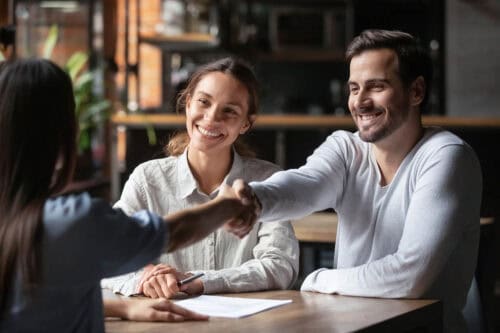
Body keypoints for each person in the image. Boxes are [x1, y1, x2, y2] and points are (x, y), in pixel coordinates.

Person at [231, 30, 482, 333]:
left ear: (416, 91)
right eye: (354, 88)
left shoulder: (446, 156)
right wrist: (254, 200)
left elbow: (410, 276)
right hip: (353, 326)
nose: (360, 102)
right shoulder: (346, 148)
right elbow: (305, 185)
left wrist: (318, 279)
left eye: (376, 87)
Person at [0, 58, 255, 332]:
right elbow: (175, 232)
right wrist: (227, 205)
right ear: (65, 134)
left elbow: (43, 298)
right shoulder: (72, 222)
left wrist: (123, 307)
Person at [101, 57, 299, 298]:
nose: (212, 118)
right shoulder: (148, 180)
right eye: (204, 102)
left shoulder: (267, 180)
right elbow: (108, 257)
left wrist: (200, 281)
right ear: (187, 104)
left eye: (230, 111)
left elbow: (280, 266)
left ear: (246, 123)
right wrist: (145, 277)